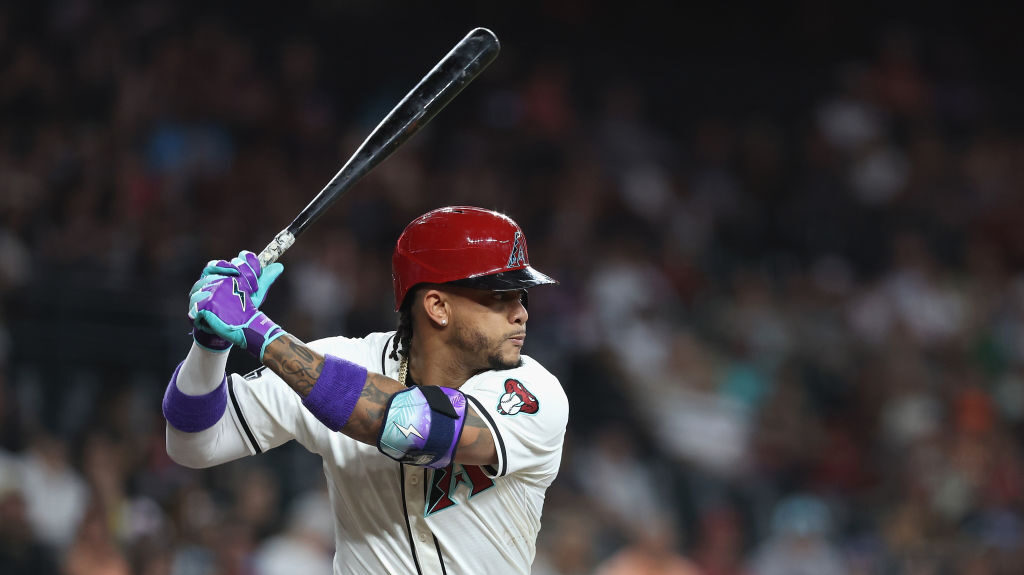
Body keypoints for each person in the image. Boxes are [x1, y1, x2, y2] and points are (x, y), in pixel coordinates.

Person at [162, 206, 569, 574]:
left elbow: (413, 426)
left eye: (521, 295)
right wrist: (209, 345)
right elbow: (195, 444)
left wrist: (262, 335)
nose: (521, 313)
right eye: (500, 297)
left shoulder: (534, 392)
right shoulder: (339, 362)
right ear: (437, 307)